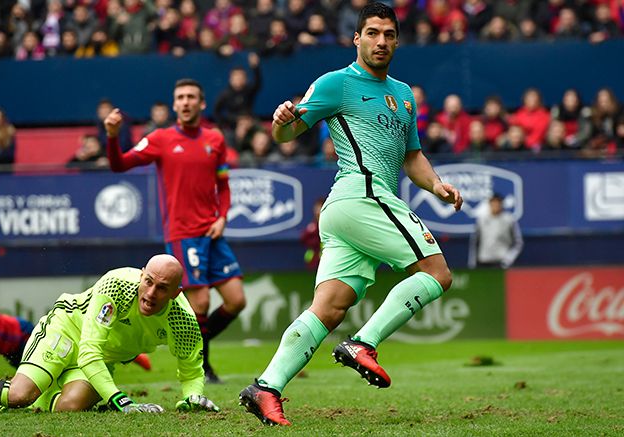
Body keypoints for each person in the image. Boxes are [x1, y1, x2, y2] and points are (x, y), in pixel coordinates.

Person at [239, 3, 463, 426]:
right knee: (437, 273)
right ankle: (364, 343)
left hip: (346, 210)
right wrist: (282, 120)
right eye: (373, 33)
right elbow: (287, 134)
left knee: (329, 307)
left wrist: (436, 185)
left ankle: (265, 387)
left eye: (389, 34)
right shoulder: (336, 83)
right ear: (356, 38)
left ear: (397, 40)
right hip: (362, 196)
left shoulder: (403, 95)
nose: (381, 42)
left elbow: (412, 156)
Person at [0, 255, 220, 414]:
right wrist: (121, 401)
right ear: (141, 274)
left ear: (176, 293)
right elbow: (89, 349)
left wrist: (191, 397)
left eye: (162, 288)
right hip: (67, 329)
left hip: (99, 356)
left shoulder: (183, 321)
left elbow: (191, 371)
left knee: (68, 409)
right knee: (21, 396)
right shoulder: (117, 284)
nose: (150, 293)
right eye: (148, 281)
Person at [104, 79, 246, 384]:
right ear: (174, 104)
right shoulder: (160, 138)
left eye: (191, 97)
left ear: (202, 103)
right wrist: (113, 137)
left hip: (213, 231)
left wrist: (222, 217)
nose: (185, 102)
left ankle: (191, 340)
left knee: (236, 300)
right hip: (183, 233)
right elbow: (119, 165)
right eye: (180, 97)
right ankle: (202, 365)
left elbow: (223, 184)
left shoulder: (215, 140)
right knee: (202, 303)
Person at [468, 194, 523, 269]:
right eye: (493, 202)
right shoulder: (481, 220)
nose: (495, 205)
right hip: (483, 262)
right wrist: (473, 263)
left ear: (501, 204)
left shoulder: (509, 220)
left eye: (498, 203)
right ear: (489, 204)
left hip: (501, 262)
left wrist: (508, 259)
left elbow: (518, 243)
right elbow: (475, 242)